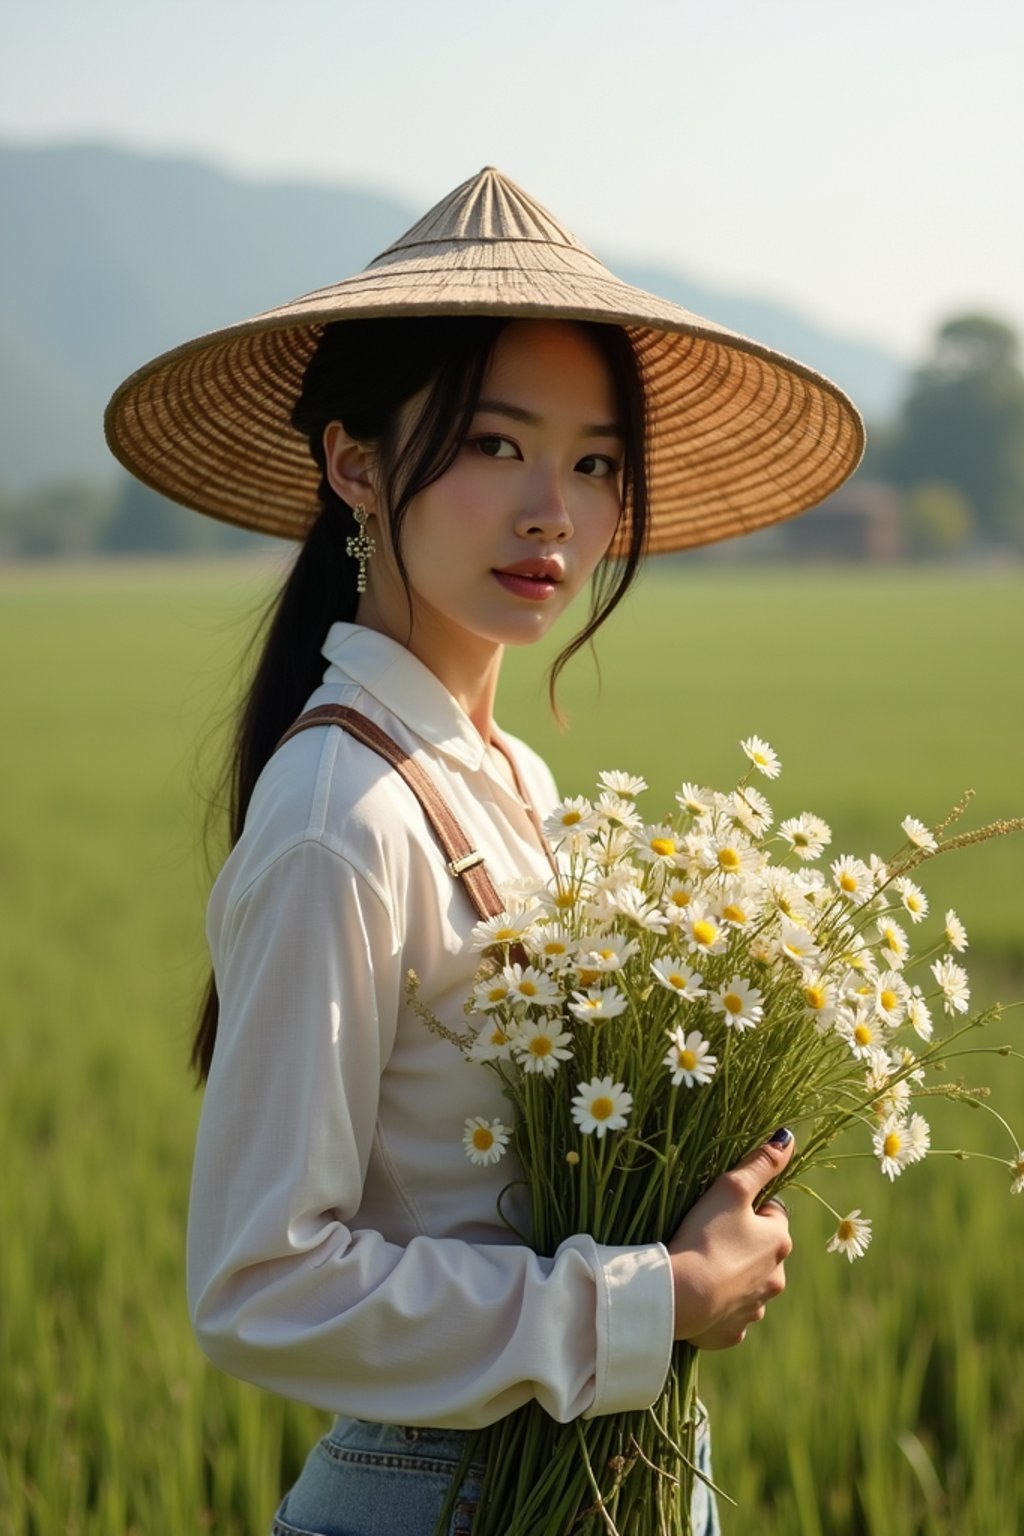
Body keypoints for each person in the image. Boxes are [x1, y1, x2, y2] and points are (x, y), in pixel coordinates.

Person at [105, 167, 864, 1535]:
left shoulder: (515, 778)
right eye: (494, 445)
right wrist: (654, 1301)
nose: (551, 514)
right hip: (435, 1498)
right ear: (354, 463)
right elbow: (257, 1285)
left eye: (592, 464)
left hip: (608, 1483)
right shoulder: (345, 814)